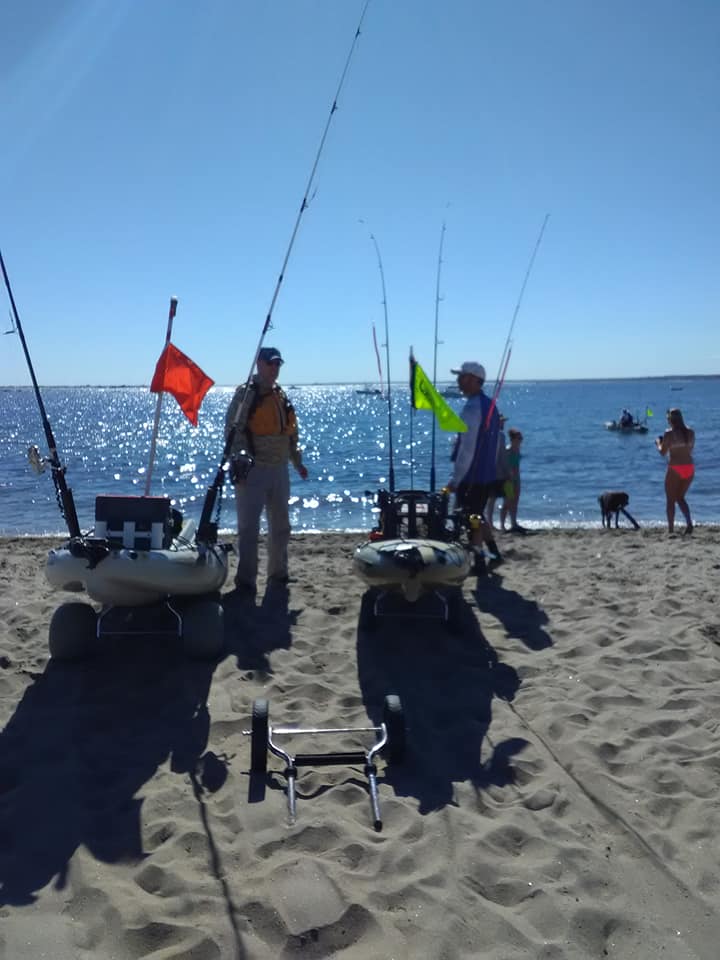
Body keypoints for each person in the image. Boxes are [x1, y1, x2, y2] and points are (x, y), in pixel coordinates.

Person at [224, 347, 308, 596]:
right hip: (254, 470)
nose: (275, 368)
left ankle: (278, 575)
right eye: (270, 364)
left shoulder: (280, 395)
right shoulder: (246, 394)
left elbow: (290, 433)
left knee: (281, 527)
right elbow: (233, 429)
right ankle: (246, 582)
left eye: (278, 364)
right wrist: (240, 458)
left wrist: (297, 461)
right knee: (249, 529)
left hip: (279, 470)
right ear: (259, 364)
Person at [445, 360, 502, 570]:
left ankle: (478, 561)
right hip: (486, 473)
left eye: (462, 377)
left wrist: (456, 479)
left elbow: (467, 449)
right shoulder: (491, 406)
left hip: (472, 476)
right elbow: (496, 443)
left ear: (474, 380)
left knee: (472, 519)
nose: (458, 381)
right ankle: (494, 553)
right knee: (478, 514)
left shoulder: (472, 408)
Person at [655, 408, 694, 534]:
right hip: (689, 468)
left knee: (670, 500)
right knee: (680, 497)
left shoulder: (669, 433)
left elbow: (663, 452)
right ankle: (688, 522)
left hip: (675, 468)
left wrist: (658, 443)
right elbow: (689, 450)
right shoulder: (690, 432)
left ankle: (671, 530)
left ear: (670, 420)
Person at [485, 413, 510, 529]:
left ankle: (490, 522)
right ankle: (495, 523)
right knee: (497, 498)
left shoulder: (488, 435)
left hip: (489, 471)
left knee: (492, 499)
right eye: (501, 421)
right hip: (498, 472)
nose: (503, 423)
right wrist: (507, 471)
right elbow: (501, 456)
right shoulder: (500, 436)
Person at [500, 428, 524, 532]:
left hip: (516, 478)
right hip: (508, 479)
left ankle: (514, 523)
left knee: (515, 501)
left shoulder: (517, 449)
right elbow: (502, 465)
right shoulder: (508, 450)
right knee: (507, 502)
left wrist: (517, 478)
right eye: (519, 438)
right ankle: (502, 525)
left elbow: (517, 466)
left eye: (521, 438)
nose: (521, 440)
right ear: (513, 439)